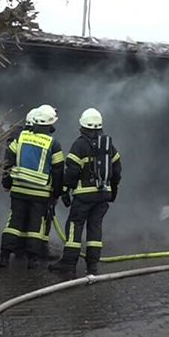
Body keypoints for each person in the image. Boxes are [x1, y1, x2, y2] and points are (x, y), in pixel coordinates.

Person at [50, 108, 121, 278]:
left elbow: (72, 171)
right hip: (103, 195)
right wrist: (113, 190)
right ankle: (92, 266)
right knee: (95, 228)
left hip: (83, 196)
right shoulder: (108, 145)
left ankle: (68, 264)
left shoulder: (80, 144)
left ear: (82, 125)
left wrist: (65, 191)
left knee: (75, 226)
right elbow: (117, 170)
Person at [0, 104, 65, 268]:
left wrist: (6, 182)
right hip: (40, 193)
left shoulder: (20, 138)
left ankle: (4, 257)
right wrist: (57, 193)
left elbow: (8, 161)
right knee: (36, 226)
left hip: (19, 189)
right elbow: (58, 171)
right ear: (50, 123)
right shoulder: (53, 144)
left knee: (14, 223)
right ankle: (32, 260)